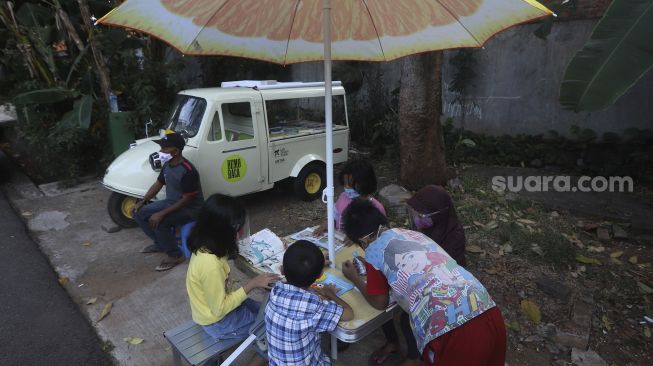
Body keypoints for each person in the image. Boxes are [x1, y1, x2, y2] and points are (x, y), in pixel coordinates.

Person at [341, 200, 506, 366]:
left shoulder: (372, 251)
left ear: (363, 241)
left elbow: (379, 302)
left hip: (455, 328)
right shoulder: (412, 234)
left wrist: (354, 276)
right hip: (487, 308)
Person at [185, 194, 279, 366]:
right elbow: (219, 309)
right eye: (236, 228)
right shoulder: (210, 265)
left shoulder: (206, 244)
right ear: (222, 231)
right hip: (217, 321)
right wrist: (253, 284)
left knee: (269, 312)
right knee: (273, 326)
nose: (241, 233)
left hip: (217, 308)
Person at [265, 240, 354, 366]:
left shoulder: (276, 291)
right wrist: (330, 294)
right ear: (320, 275)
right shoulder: (314, 307)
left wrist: (316, 266)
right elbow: (349, 314)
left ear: (282, 270)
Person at [133, 132, 204, 271]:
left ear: (176, 151)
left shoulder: (188, 170)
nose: (161, 151)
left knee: (161, 222)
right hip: (172, 203)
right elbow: (158, 184)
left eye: (165, 148)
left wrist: (161, 214)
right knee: (139, 213)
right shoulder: (167, 165)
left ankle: (175, 255)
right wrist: (143, 201)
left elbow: (187, 199)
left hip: (190, 209)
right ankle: (161, 244)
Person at [315, 159, 386, 235]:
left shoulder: (377, 207)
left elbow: (381, 232)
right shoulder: (343, 197)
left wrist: (359, 237)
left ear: (365, 184)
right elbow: (335, 214)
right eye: (345, 183)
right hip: (340, 239)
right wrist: (328, 222)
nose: (346, 187)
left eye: (351, 184)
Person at [406, 185, 467, 266]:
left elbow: (451, 266)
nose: (416, 219)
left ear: (439, 215)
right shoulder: (425, 227)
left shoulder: (454, 237)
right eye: (414, 213)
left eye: (421, 216)